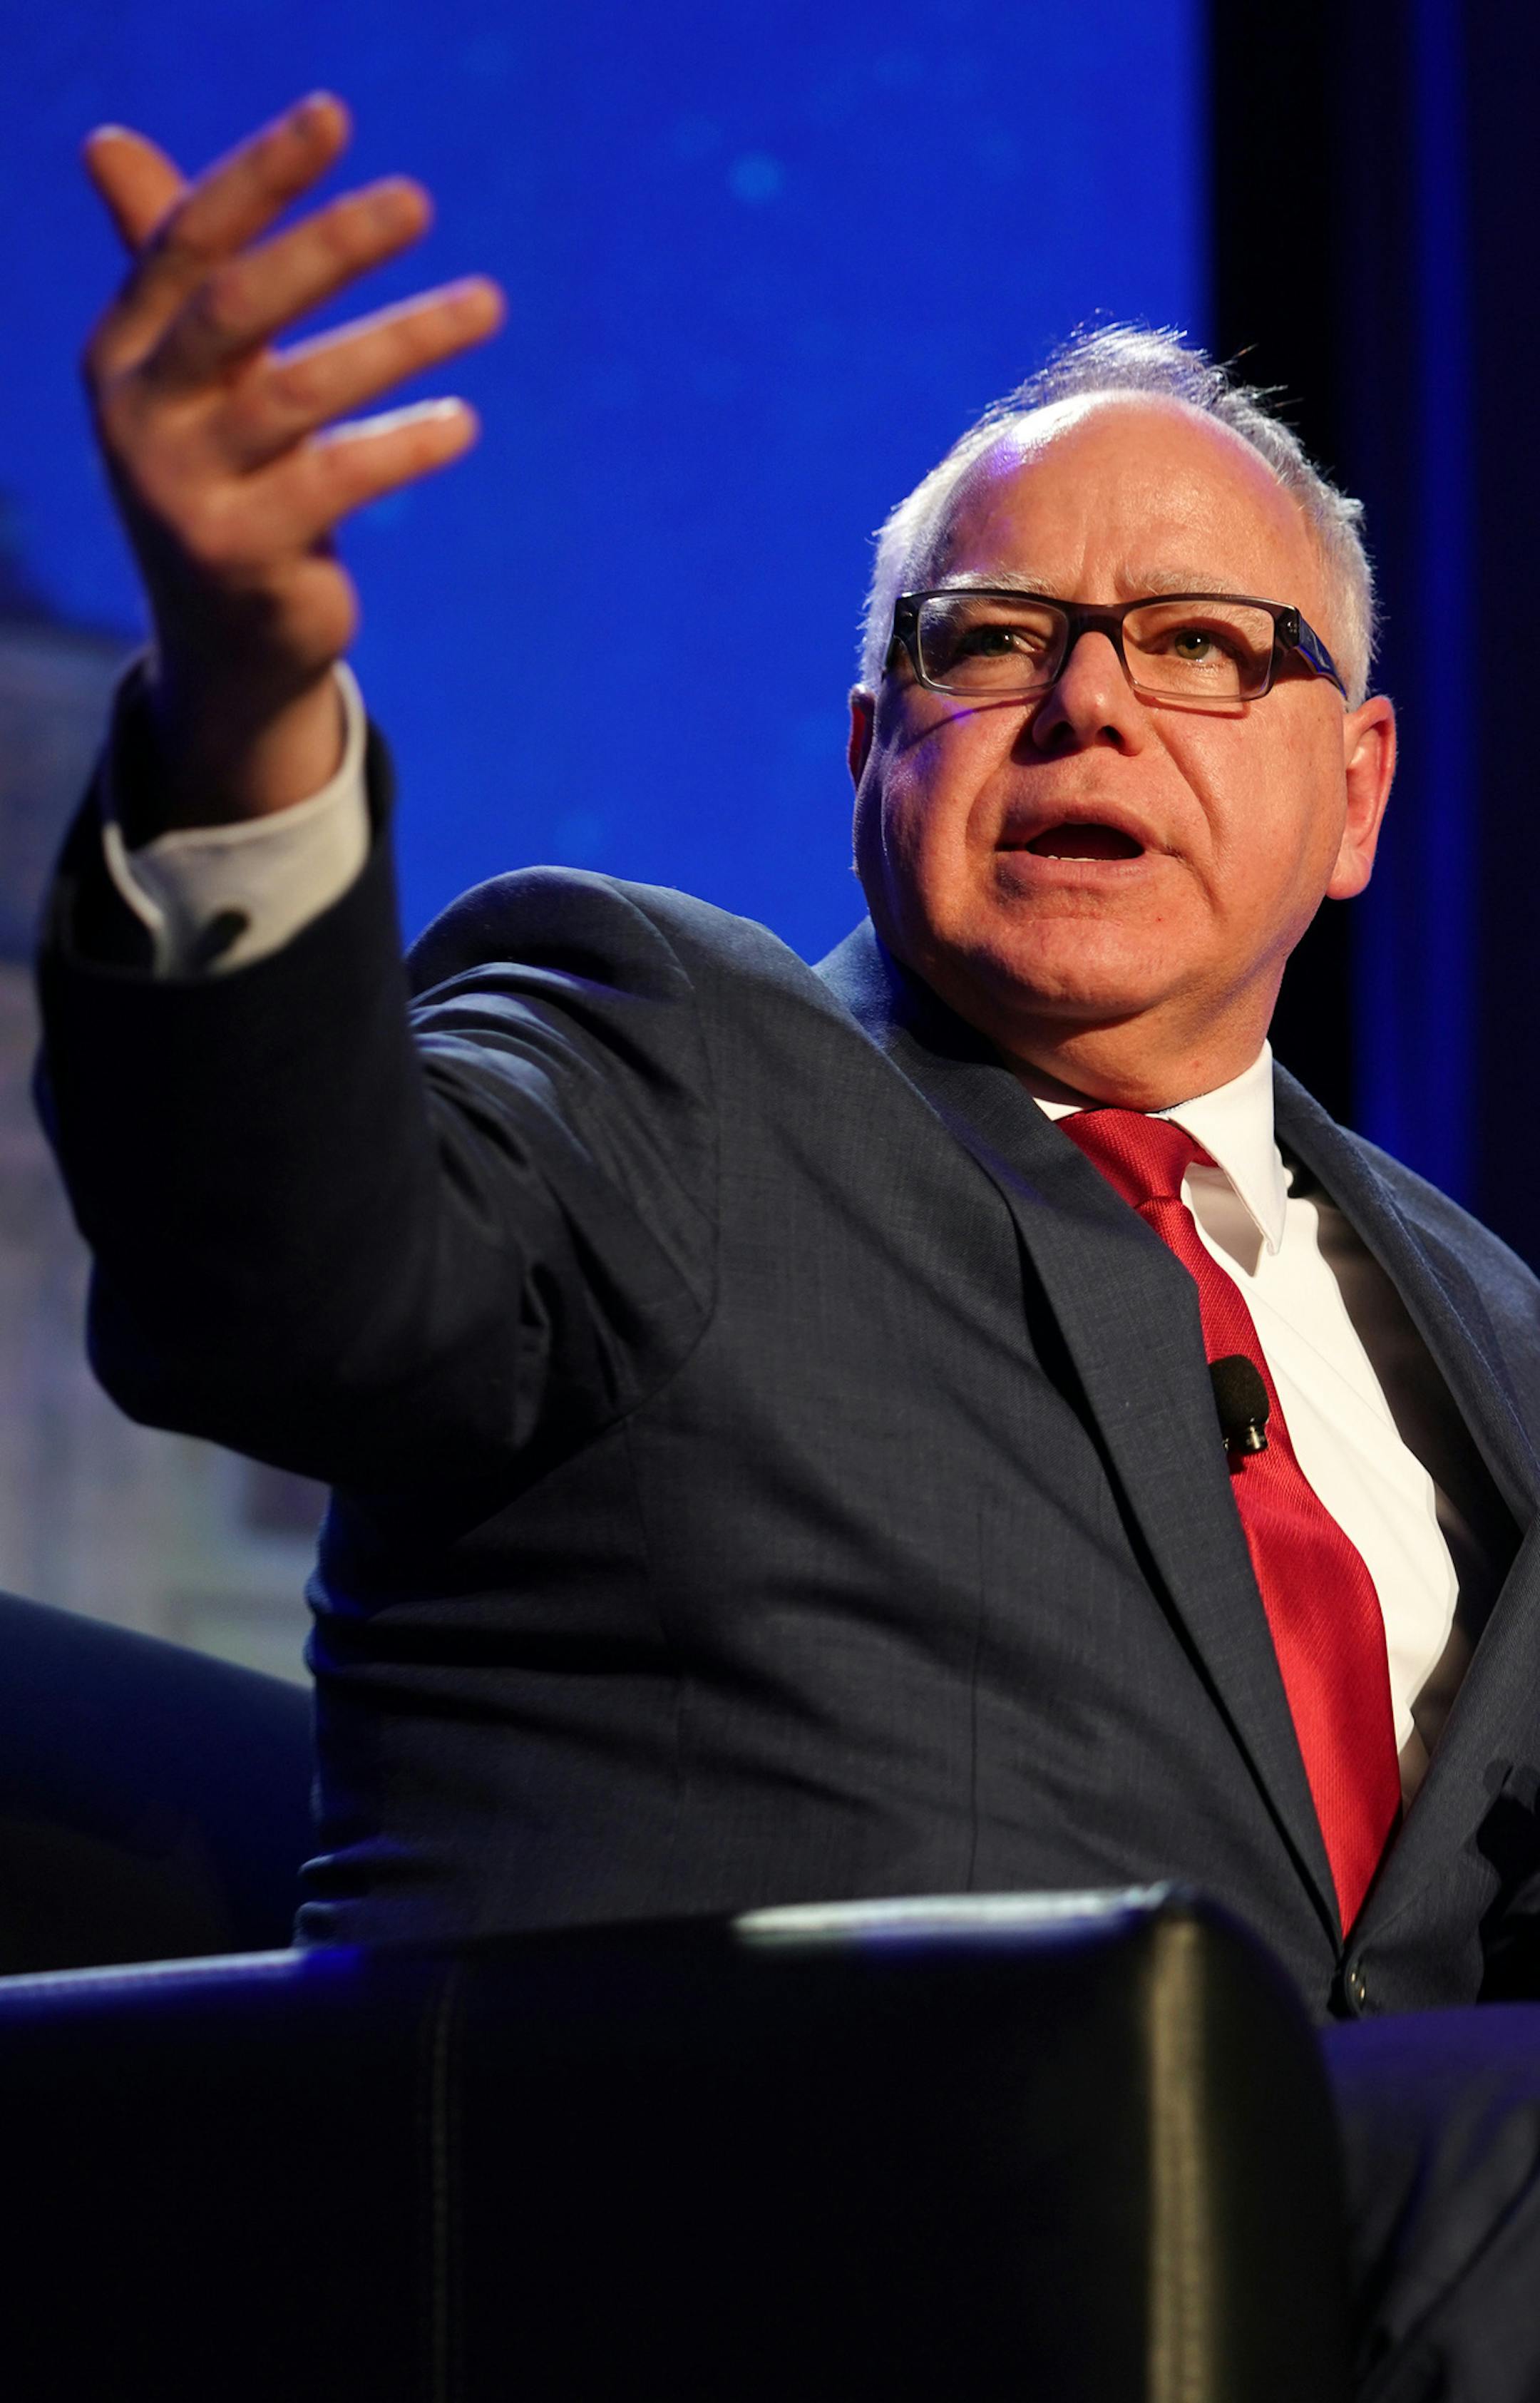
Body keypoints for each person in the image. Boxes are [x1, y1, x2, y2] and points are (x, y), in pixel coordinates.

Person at [38, 96, 1540, 2398]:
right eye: (998, 635)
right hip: (801, 2260)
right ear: (870, 746)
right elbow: (290, 1277)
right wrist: (243, 709)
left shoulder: (1490, 1327)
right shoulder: (665, 1062)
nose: (1093, 695)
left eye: (1206, 645)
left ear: (1357, 798)